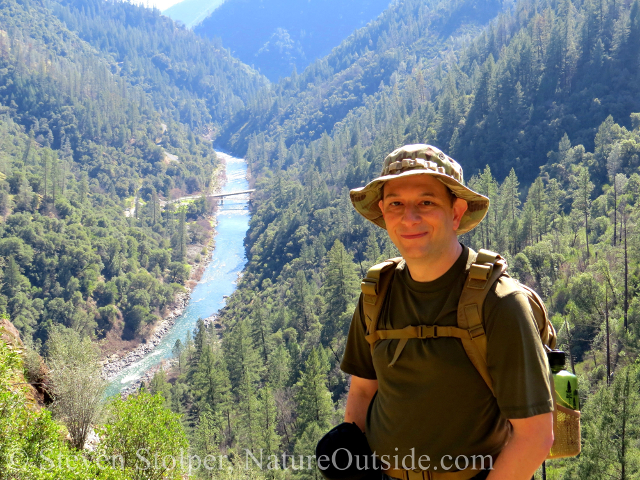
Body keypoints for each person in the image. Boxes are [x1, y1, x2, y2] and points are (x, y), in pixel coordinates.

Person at [340, 144, 554, 480]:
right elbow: (363, 392)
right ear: (383, 211)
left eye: (426, 202)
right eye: (396, 204)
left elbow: (535, 437)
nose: (409, 217)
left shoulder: (499, 301)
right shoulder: (376, 292)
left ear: (456, 212)